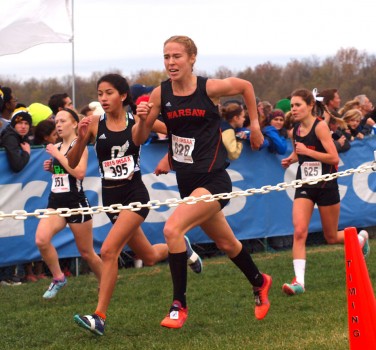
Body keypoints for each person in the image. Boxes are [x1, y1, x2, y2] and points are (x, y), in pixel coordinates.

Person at [133, 35, 272, 329]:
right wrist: (143, 120)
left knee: (172, 229)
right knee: (226, 242)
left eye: (177, 57)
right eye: (166, 57)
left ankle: (178, 305)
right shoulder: (160, 95)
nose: (171, 63)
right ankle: (260, 282)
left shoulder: (209, 88)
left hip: (214, 180)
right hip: (187, 182)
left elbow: (245, 86)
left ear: (192, 58)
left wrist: (255, 126)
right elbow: (142, 138)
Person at [69, 73, 202, 336]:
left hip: (135, 196)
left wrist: (171, 158)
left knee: (108, 251)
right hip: (111, 199)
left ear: (122, 96)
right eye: (100, 94)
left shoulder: (139, 121)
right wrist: (82, 138)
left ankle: (99, 317)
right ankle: (182, 247)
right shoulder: (94, 123)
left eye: (108, 93)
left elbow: (177, 134)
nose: (103, 98)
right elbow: (72, 163)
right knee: (150, 256)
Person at [280, 88, 370, 296]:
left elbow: (333, 158)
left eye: (297, 105)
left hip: (326, 185)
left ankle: (358, 239)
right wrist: (292, 159)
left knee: (330, 236)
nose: (293, 109)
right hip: (305, 184)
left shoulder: (320, 127)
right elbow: (298, 151)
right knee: (299, 231)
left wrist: (307, 152)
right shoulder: (295, 129)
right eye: (292, 106)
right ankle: (299, 282)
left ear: (310, 105)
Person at [34, 108, 103, 298]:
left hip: (75, 202)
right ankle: (58, 277)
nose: (58, 125)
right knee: (41, 239)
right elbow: (63, 172)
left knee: (87, 252)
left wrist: (57, 157)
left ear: (74, 124)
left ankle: (106, 283)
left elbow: (79, 173)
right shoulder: (57, 146)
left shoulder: (78, 145)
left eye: (63, 121)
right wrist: (51, 168)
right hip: (55, 201)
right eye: (57, 121)